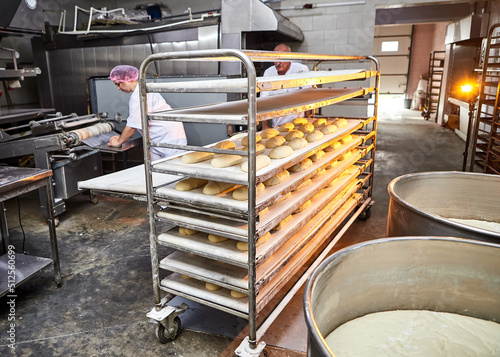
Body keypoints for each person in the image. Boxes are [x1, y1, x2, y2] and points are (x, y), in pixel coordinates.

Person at [107, 65, 187, 161]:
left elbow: (133, 125)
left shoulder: (141, 94)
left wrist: (119, 141)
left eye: (118, 84)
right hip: (157, 139)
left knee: (173, 171)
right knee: (156, 171)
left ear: (127, 79)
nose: (118, 88)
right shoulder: (138, 92)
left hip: (169, 138)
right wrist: (120, 137)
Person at [260, 44, 311, 129]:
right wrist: (264, 124)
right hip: (277, 126)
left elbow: (308, 97)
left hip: (298, 124)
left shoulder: (301, 70)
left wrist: (308, 120)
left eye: (281, 59)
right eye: (275, 59)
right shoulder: (268, 73)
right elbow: (263, 101)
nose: (278, 63)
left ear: (289, 57)